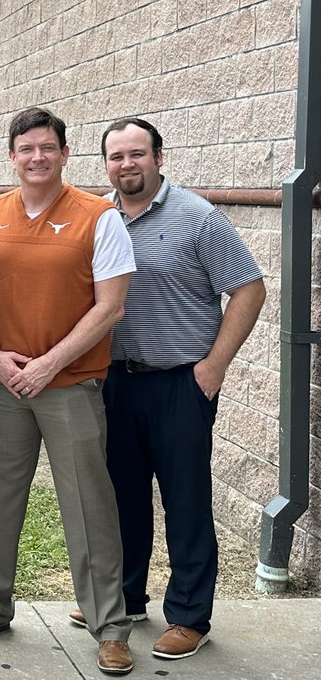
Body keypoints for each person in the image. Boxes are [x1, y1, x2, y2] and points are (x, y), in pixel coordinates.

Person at [72, 118, 265, 660]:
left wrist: (214, 367)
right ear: (104, 164)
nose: (127, 164)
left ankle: (188, 615)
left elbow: (249, 291)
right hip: (116, 381)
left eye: (137, 154)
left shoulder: (198, 217)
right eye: (116, 156)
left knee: (185, 500)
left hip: (182, 381)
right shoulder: (98, 218)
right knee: (121, 496)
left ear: (159, 157)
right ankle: (127, 596)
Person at [0, 107, 137, 676]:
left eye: (47, 147)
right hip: (1, 384)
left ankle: (109, 625)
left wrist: (47, 365)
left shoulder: (98, 216)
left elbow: (110, 307)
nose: (37, 157)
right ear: (11, 157)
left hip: (71, 386)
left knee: (89, 506)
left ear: (64, 154)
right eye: (26, 148)